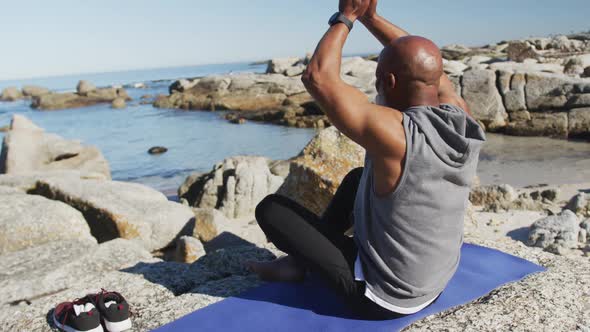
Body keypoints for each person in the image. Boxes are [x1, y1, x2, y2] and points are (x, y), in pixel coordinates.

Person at [245, 0, 486, 320]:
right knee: (359, 177)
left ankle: (298, 268)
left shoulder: (395, 135)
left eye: (378, 78)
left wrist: (346, 17)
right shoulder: (459, 116)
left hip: (385, 297)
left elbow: (318, 77)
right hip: (435, 281)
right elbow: (423, 59)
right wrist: (370, 18)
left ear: (389, 82)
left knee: (272, 210)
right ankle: (298, 264)